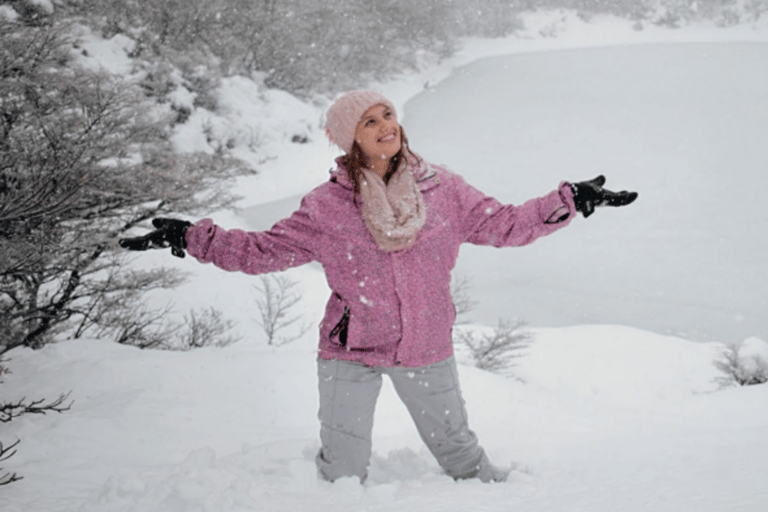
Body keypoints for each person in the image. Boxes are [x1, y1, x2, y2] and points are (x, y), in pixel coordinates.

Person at [120, 89, 637, 483]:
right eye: (370, 121)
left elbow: (502, 223)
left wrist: (568, 200)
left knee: (462, 457)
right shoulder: (327, 207)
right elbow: (262, 251)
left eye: (387, 114)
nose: (386, 125)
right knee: (342, 472)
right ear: (353, 139)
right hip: (351, 349)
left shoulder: (443, 189)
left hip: (426, 343)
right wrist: (193, 237)